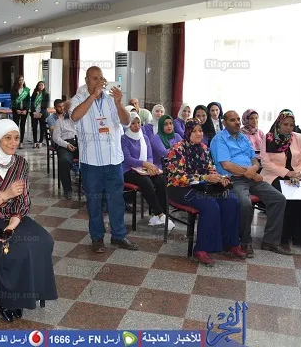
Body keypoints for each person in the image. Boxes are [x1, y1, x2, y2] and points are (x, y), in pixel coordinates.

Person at [0, 119, 57, 322]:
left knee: (44, 240)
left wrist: (13, 223)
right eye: (7, 138)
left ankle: (31, 292)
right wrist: (4, 195)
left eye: (16, 137)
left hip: (14, 218)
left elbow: (24, 200)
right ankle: (8, 301)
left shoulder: (20, 163)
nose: (13, 142)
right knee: (12, 247)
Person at [70, 66, 138, 253]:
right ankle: (97, 238)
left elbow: (126, 121)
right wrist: (93, 96)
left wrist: (119, 103)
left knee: (116, 200)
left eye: (101, 78)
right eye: (94, 78)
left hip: (113, 160)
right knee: (94, 202)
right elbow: (75, 116)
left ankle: (119, 236)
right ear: (86, 80)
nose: (99, 81)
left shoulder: (110, 100)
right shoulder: (78, 99)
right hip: (91, 162)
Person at [166, 119, 245, 265]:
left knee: (231, 200)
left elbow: (210, 170)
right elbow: (177, 177)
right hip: (180, 188)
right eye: (194, 131)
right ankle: (202, 249)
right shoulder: (177, 149)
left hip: (202, 186)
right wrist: (204, 178)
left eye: (200, 130)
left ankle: (230, 242)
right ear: (187, 132)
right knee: (210, 205)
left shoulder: (203, 148)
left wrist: (220, 179)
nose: (199, 134)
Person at [210, 110, 289, 257]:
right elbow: (226, 165)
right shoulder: (219, 139)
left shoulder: (243, 138)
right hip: (232, 179)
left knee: (278, 199)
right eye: (232, 120)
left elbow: (255, 160)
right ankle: (244, 241)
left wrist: (253, 170)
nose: (237, 122)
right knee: (245, 203)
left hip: (251, 177)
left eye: (238, 119)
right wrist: (249, 172)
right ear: (224, 123)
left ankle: (270, 241)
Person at [261, 110, 301, 252]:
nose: (288, 128)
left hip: (296, 175)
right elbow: (266, 162)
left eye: (291, 125)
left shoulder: (298, 138)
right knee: (285, 198)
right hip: (274, 175)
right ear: (278, 123)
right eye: (285, 124)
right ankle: (282, 238)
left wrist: (297, 174)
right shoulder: (269, 138)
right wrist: (287, 173)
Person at [121, 112, 168, 228]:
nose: (137, 126)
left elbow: (150, 156)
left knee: (161, 180)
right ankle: (160, 213)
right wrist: (145, 164)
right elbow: (128, 159)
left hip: (144, 168)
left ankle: (162, 212)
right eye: (133, 123)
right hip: (128, 170)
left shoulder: (145, 137)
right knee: (146, 182)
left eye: (139, 123)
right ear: (128, 125)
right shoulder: (124, 139)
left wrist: (150, 166)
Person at [52, 100, 78, 199]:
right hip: (66, 145)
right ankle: (68, 189)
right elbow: (56, 138)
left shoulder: (81, 120)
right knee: (64, 161)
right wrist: (66, 145)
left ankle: (87, 187)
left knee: (91, 159)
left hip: (80, 144)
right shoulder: (59, 121)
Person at [10, 76, 30, 149]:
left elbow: (28, 101)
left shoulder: (26, 90)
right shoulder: (13, 90)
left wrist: (26, 110)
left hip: (24, 110)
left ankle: (21, 142)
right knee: (15, 126)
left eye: (22, 80)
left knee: (22, 126)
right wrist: (16, 110)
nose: (21, 81)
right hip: (16, 111)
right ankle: (15, 141)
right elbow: (13, 101)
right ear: (17, 81)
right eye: (19, 80)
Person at [31, 81, 50, 148]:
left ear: (44, 86)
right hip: (34, 113)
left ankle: (40, 141)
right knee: (34, 127)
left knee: (42, 128)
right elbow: (32, 104)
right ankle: (35, 141)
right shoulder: (34, 94)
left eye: (42, 85)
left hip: (42, 113)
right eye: (39, 85)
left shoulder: (46, 94)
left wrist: (41, 113)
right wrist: (34, 112)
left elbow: (46, 105)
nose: (40, 86)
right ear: (37, 86)